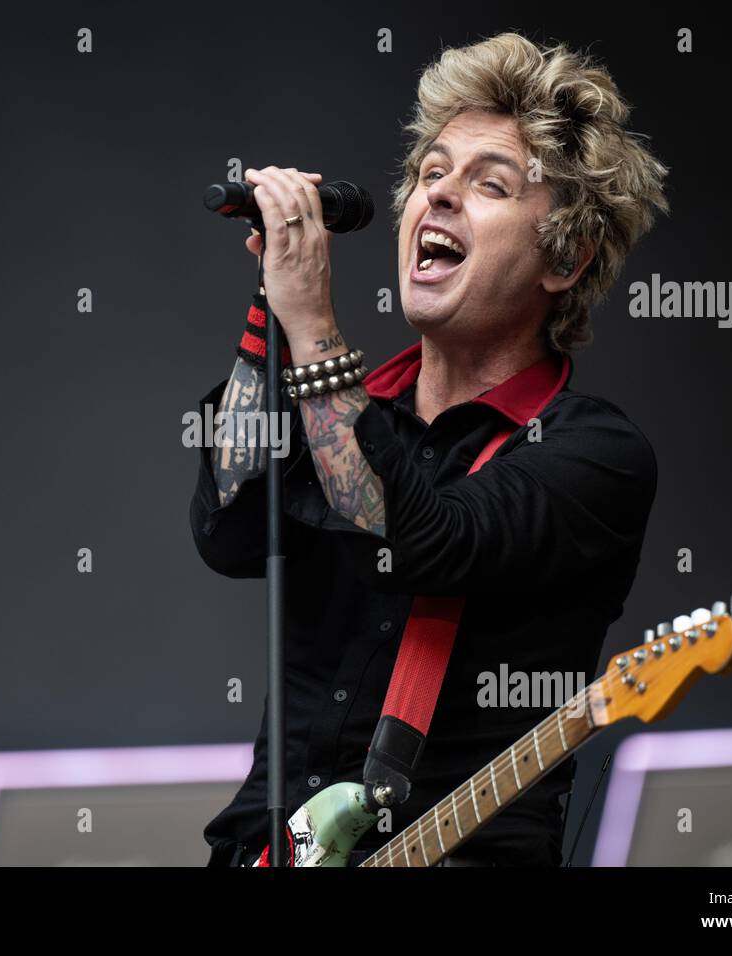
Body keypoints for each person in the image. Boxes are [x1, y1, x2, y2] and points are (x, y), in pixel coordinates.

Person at [190, 32, 669, 867]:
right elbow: (225, 527)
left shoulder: (596, 453)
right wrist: (269, 316)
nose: (438, 198)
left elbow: (422, 539)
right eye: (430, 173)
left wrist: (313, 325)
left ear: (565, 257)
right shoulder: (341, 406)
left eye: (489, 184)